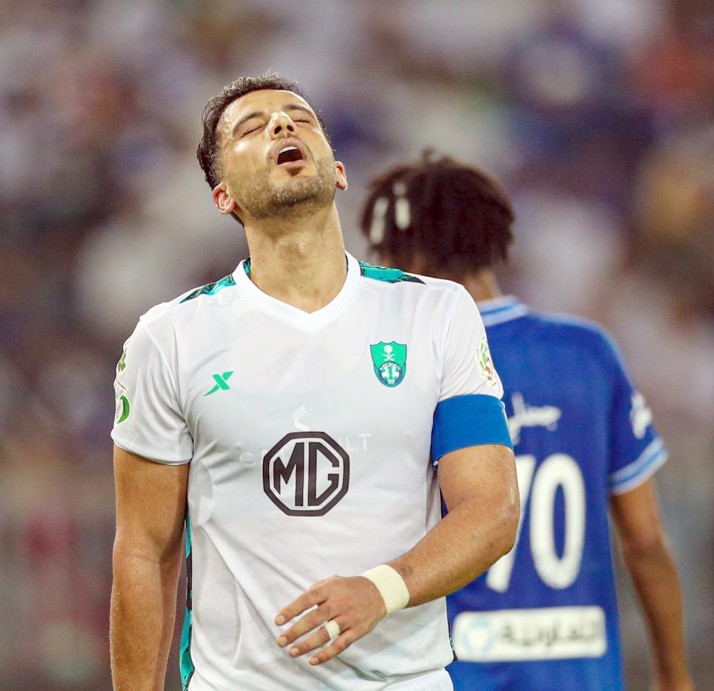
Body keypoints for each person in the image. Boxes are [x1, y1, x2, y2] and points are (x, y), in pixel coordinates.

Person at [109, 75, 520, 690]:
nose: (282, 125)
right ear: (223, 197)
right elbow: (145, 549)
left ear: (339, 172)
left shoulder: (435, 311)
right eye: (251, 128)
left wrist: (381, 590)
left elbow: (492, 508)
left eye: (300, 118)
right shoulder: (170, 337)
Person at [360, 151, 694, 691]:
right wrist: (674, 676)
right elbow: (645, 541)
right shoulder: (588, 353)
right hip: (581, 674)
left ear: (406, 252)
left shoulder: (399, 367)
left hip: (452, 673)